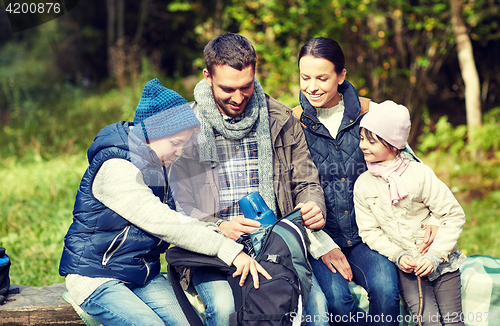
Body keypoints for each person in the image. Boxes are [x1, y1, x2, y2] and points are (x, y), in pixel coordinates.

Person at [59, 78, 270, 326]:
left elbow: (180, 217)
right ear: (152, 132)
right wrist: (229, 251)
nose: (179, 152)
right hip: (97, 276)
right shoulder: (116, 168)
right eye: (175, 143)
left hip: (141, 274)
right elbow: (164, 222)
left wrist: (217, 228)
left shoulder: (158, 165)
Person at [172, 33, 335, 326]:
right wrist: (220, 227)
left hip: (273, 245)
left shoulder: (281, 120)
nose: (237, 97)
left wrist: (313, 205)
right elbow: (179, 207)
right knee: (224, 310)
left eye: (246, 87)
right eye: (227, 88)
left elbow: (307, 181)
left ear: (255, 71)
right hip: (212, 251)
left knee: (318, 310)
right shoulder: (186, 131)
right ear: (208, 77)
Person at [294, 37, 439, 325]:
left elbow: (408, 165)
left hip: (370, 234)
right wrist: (321, 245)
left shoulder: (370, 112)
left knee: (386, 291)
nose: (312, 86)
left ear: (341, 75)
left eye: (322, 78)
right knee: (338, 302)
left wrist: (434, 214)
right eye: (305, 77)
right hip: (320, 239)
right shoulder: (293, 123)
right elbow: (290, 191)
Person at [354, 101, 466, 326]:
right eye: (362, 138)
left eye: (371, 141)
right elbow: (369, 232)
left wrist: (435, 254)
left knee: (454, 322)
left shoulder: (419, 174)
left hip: (442, 264)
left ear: (394, 145)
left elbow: (452, 214)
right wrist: (396, 255)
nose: (363, 145)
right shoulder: (363, 185)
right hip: (409, 271)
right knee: (429, 322)